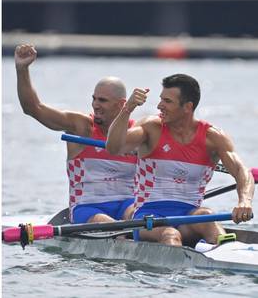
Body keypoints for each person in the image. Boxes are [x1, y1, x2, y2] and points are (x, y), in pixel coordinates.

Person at [106, 73, 254, 246]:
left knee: (206, 216)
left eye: (167, 101)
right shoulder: (151, 128)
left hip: (188, 217)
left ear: (187, 107)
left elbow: (241, 171)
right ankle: (176, 268)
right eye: (161, 99)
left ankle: (226, 255)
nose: (160, 105)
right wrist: (128, 108)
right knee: (170, 234)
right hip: (148, 218)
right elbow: (113, 147)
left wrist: (245, 200)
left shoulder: (212, 137)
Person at [15, 44, 137, 224]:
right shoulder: (81, 127)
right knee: (109, 224)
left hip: (127, 204)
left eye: (102, 100)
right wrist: (22, 69)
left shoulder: (137, 133)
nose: (95, 105)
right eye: (94, 99)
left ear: (121, 105)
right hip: (88, 207)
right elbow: (33, 108)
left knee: (138, 215)